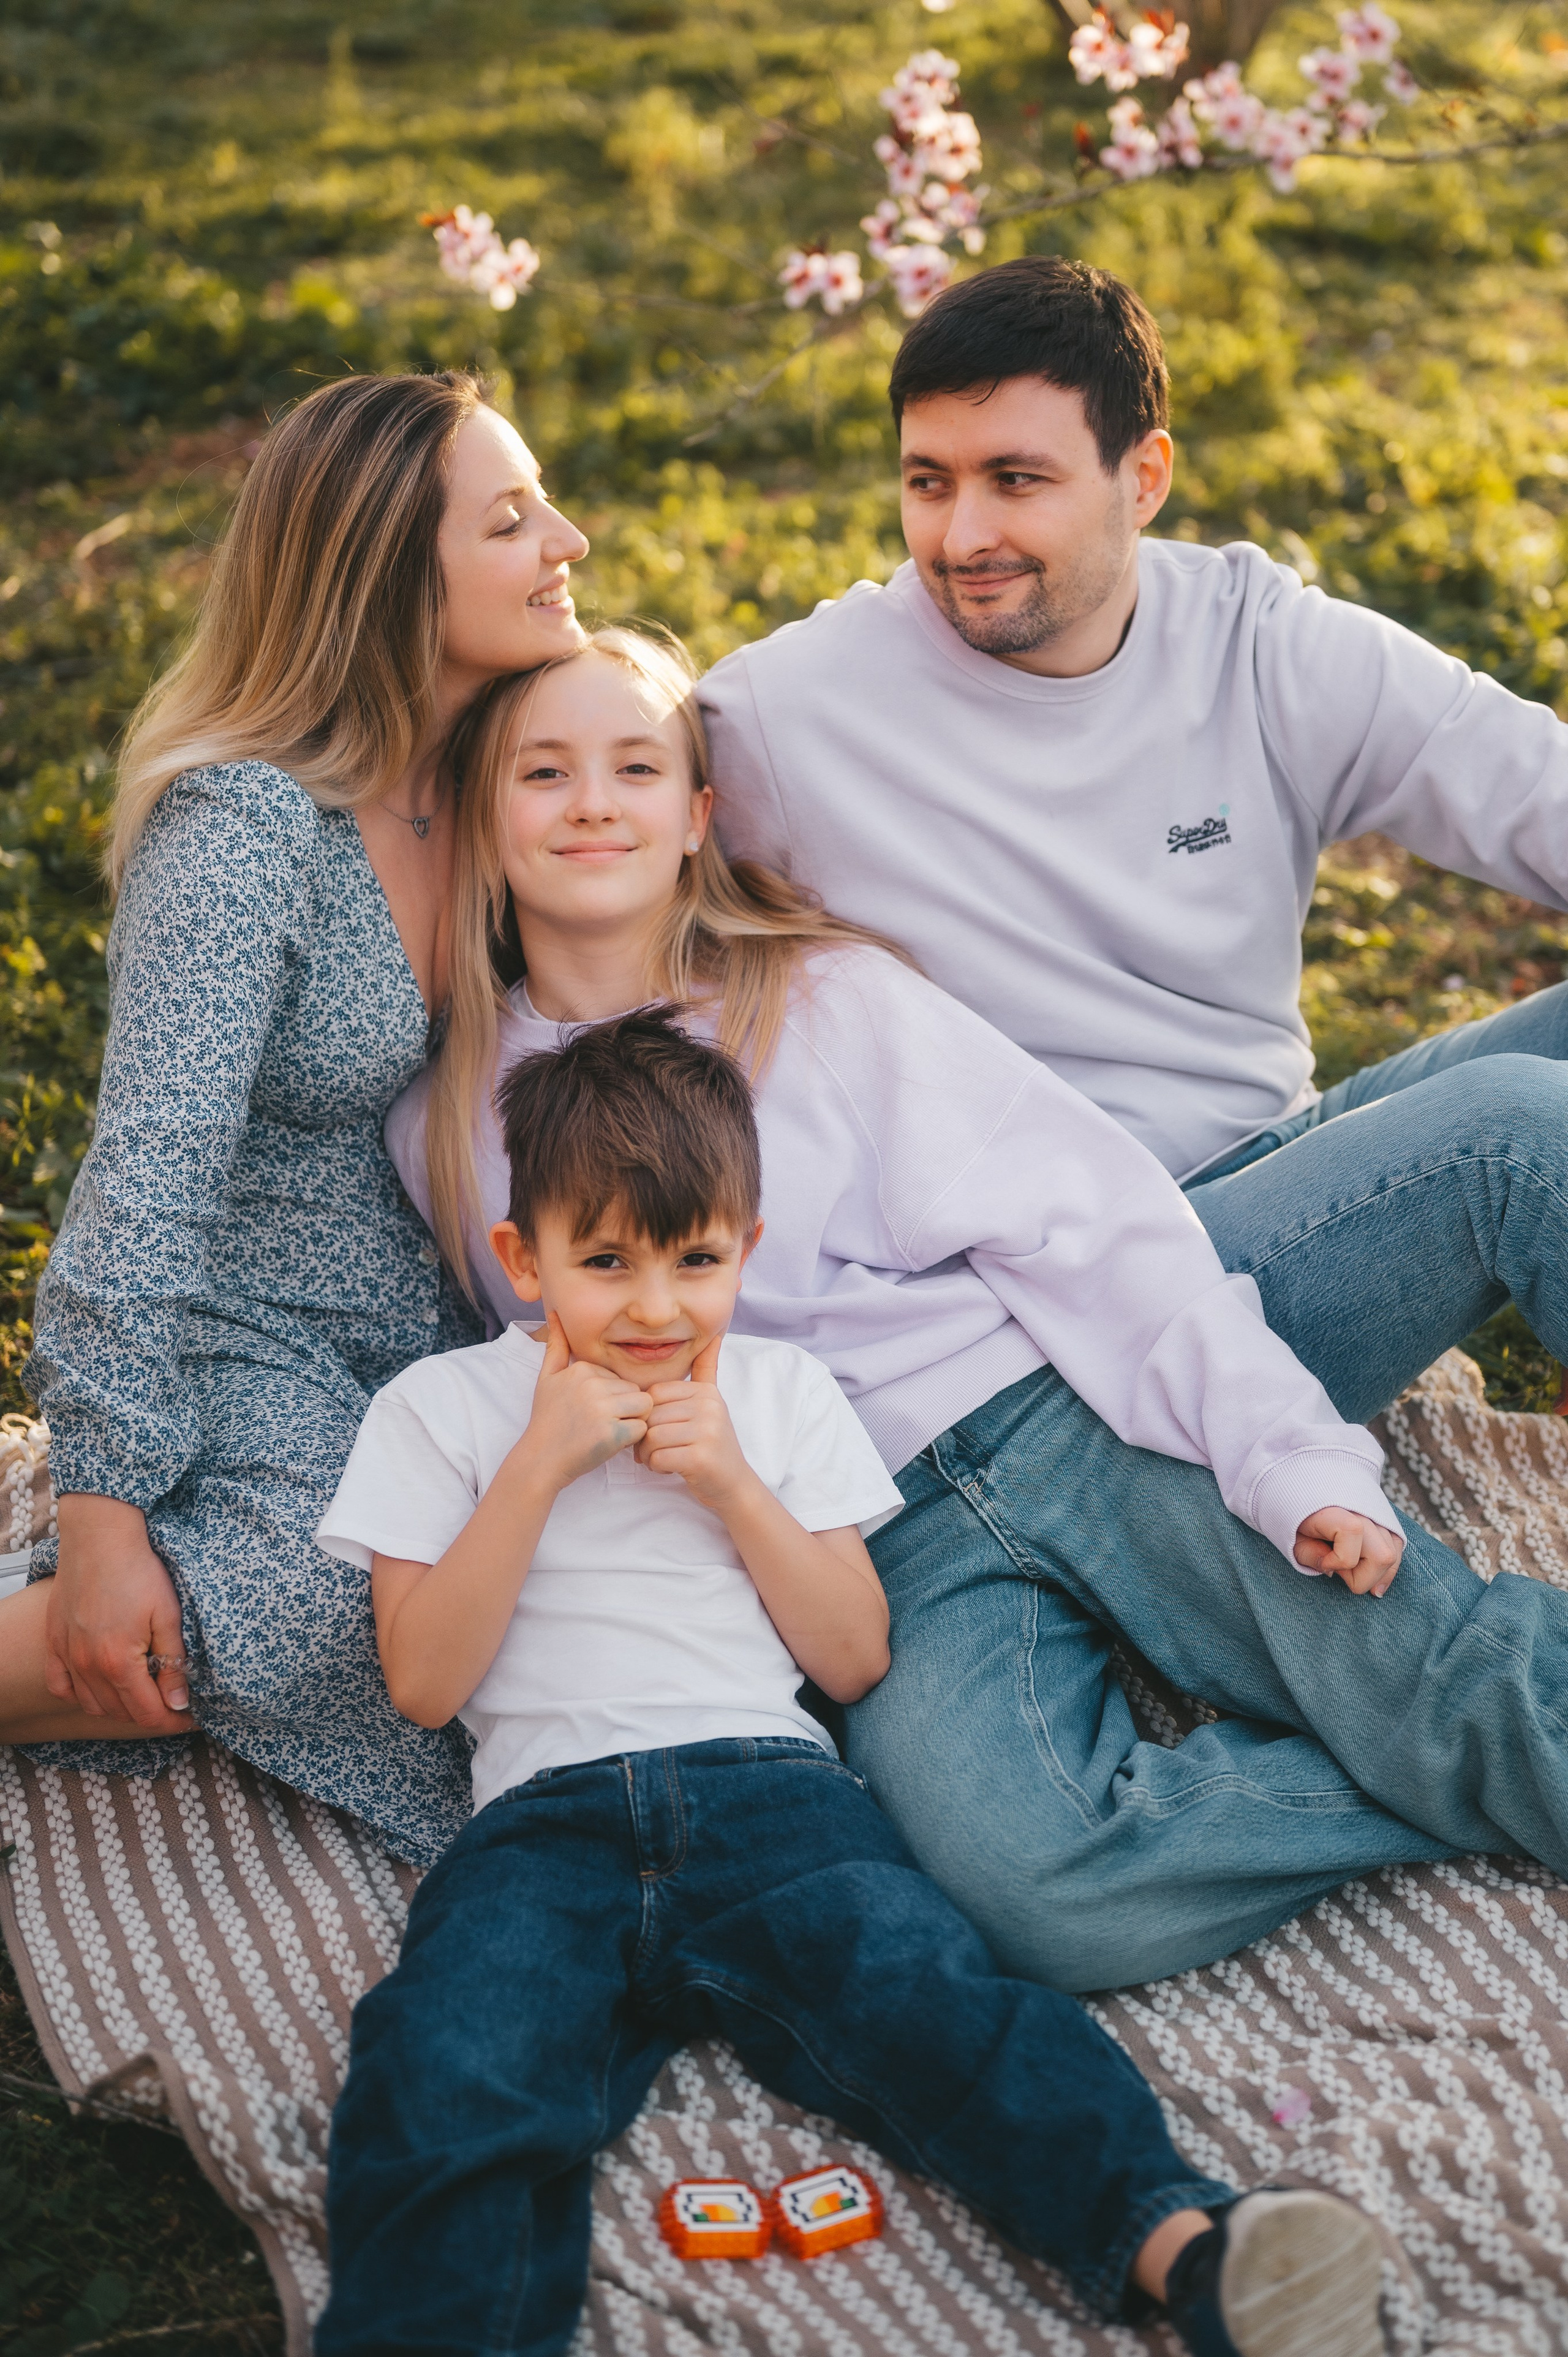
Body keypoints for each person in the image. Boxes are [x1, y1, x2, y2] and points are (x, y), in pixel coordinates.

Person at [383, 624, 1568, 1994]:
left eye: (633, 765)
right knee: (1044, 1889)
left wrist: (1277, 1453)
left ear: (697, 815)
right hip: (877, 1542)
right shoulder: (447, 1123)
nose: (592, 800)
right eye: (544, 772)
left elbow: (1099, 1238)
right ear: (480, 819)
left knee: (1422, 1670)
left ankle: (1446, 1727)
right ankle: (1415, 1775)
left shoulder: (824, 997)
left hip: (1065, 1411)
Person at [315, 1007, 1390, 2357]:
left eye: (694, 1260)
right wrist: (536, 1466)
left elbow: (852, 1653)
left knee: (932, 2003)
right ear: (522, 1257)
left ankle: (1187, 2249)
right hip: (540, 1826)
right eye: (605, 1263)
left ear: (742, 1251)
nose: (654, 1307)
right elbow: (420, 1681)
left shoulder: (777, 1393)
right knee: (448, 2065)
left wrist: (726, 1481)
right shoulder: (440, 1408)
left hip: (769, 1797)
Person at [698, 254, 1568, 1432]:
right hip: (1085, 1283)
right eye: (928, 481)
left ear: (1143, 477)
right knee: (1518, 1134)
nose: (963, 536)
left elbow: (1530, 785)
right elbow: (562, 834)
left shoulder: (1258, 641)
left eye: (1017, 480)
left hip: (1286, 1164)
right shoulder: (783, 719)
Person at [0, 370, 590, 1865]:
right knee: (340, 1598)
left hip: (438, 1322)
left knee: (575, 1594)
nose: (568, 540)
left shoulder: (504, 770)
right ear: (392, 575)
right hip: (244, 1327)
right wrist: (106, 1517)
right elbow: (146, 1176)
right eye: (512, 521)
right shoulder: (247, 827)